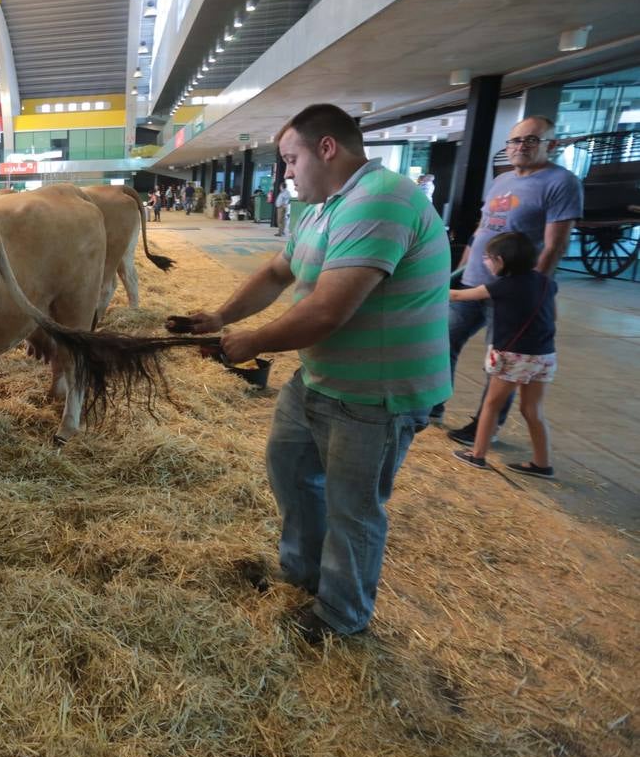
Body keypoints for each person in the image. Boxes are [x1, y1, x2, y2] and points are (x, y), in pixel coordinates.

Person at [166, 104, 450, 643]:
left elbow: (326, 311)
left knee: (354, 509)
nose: (286, 174)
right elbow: (278, 272)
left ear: (327, 149)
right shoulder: (319, 210)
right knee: (291, 468)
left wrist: (250, 341)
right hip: (322, 377)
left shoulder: (380, 200)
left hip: (377, 393)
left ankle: (341, 615)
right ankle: (302, 574)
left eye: (291, 160)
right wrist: (223, 317)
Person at [441, 116, 582, 445]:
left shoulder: (561, 183)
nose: (520, 147)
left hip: (511, 291)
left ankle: (485, 428)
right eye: (515, 141)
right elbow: (482, 229)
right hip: (474, 281)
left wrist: (532, 291)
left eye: (531, 140)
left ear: (552, 144)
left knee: (503, 363)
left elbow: (555, 245)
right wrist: (463, 269)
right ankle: (433, 403)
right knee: (442, 341)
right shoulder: (502, 181)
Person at [450, 232, 557, 477]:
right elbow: (554, 316)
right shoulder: (547, 282)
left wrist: (427, 290)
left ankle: (476, 455)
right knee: (533, 410)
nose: (485, 262)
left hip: (513, 356)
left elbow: (458, 295)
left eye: (487, 258)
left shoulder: (501, 286)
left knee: (492, 405)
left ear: (500, 260)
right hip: (544, 355)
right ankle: (543, 463)